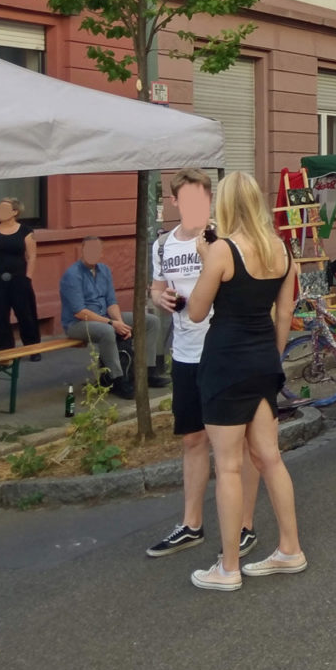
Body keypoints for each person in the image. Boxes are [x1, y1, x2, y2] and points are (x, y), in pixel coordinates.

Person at [184, 172, 306, 591]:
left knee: (230, 465)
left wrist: (204, 261)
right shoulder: (281, 250)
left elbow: (197, 312)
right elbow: (286, 314)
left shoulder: (220, 250)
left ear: (224, 205)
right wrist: (270, 353)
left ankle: (229, 567)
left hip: (225, 361)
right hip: (263, 359)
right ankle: (290, 548)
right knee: (270, 457)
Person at [145, 168, 261, 561]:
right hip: (185, 353)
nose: (196, 204)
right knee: (192, 438)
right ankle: (191, 524)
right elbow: (157, 289)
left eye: (202, 196)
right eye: (187, 197)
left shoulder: (223, 238)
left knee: (239, 443)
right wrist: (157, 299)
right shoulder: (162, 244)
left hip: (225, 352)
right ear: (174, 201)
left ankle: (244, 525)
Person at [60, 235, 167, 399]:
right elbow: (79, 311)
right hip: (78, 323)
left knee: (151, 321)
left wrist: (119, 321)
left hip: (104, 317)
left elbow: (111, 302)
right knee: (107, 331)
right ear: (82, 250)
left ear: (101, 252)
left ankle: (147, 372)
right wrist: (112, 323)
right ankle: (117, 380)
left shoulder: (104, 270)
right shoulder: (72, 275)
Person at [0, 196, 41, 355]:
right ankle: (4, 351)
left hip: (18, 279)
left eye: (4, 209)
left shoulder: (26, 232)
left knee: (26, 315)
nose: (0, 212)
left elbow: (32, 256)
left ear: (15, 212)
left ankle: (33, 349)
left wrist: (28, 278)